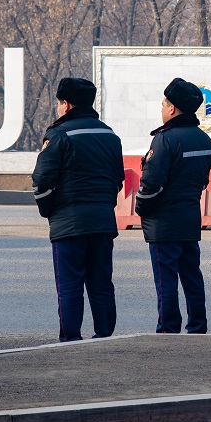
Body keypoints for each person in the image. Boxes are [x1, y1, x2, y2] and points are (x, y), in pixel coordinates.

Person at [32, 77, 124, 342]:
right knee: (102, 284)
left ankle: (71, 339)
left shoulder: (58, 135)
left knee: (70, 285)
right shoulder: (109, 134)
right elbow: (118, 179)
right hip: (103, 221)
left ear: (66, 104)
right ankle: (104, 336)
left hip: (68, 224)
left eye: (60, 103)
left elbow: (42, 182)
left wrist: (50, 210)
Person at [136, 78, 211, 334]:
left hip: (163, 224)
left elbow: (151, 185)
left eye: (163, 105)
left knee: (166, 280)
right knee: (192, 277)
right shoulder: (205, 140)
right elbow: (203, 181)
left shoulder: (164, 140)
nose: (161, 110)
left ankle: (169, 328)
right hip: (190, 218)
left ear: (172, 109)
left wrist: (142, 209)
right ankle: (198, 326)